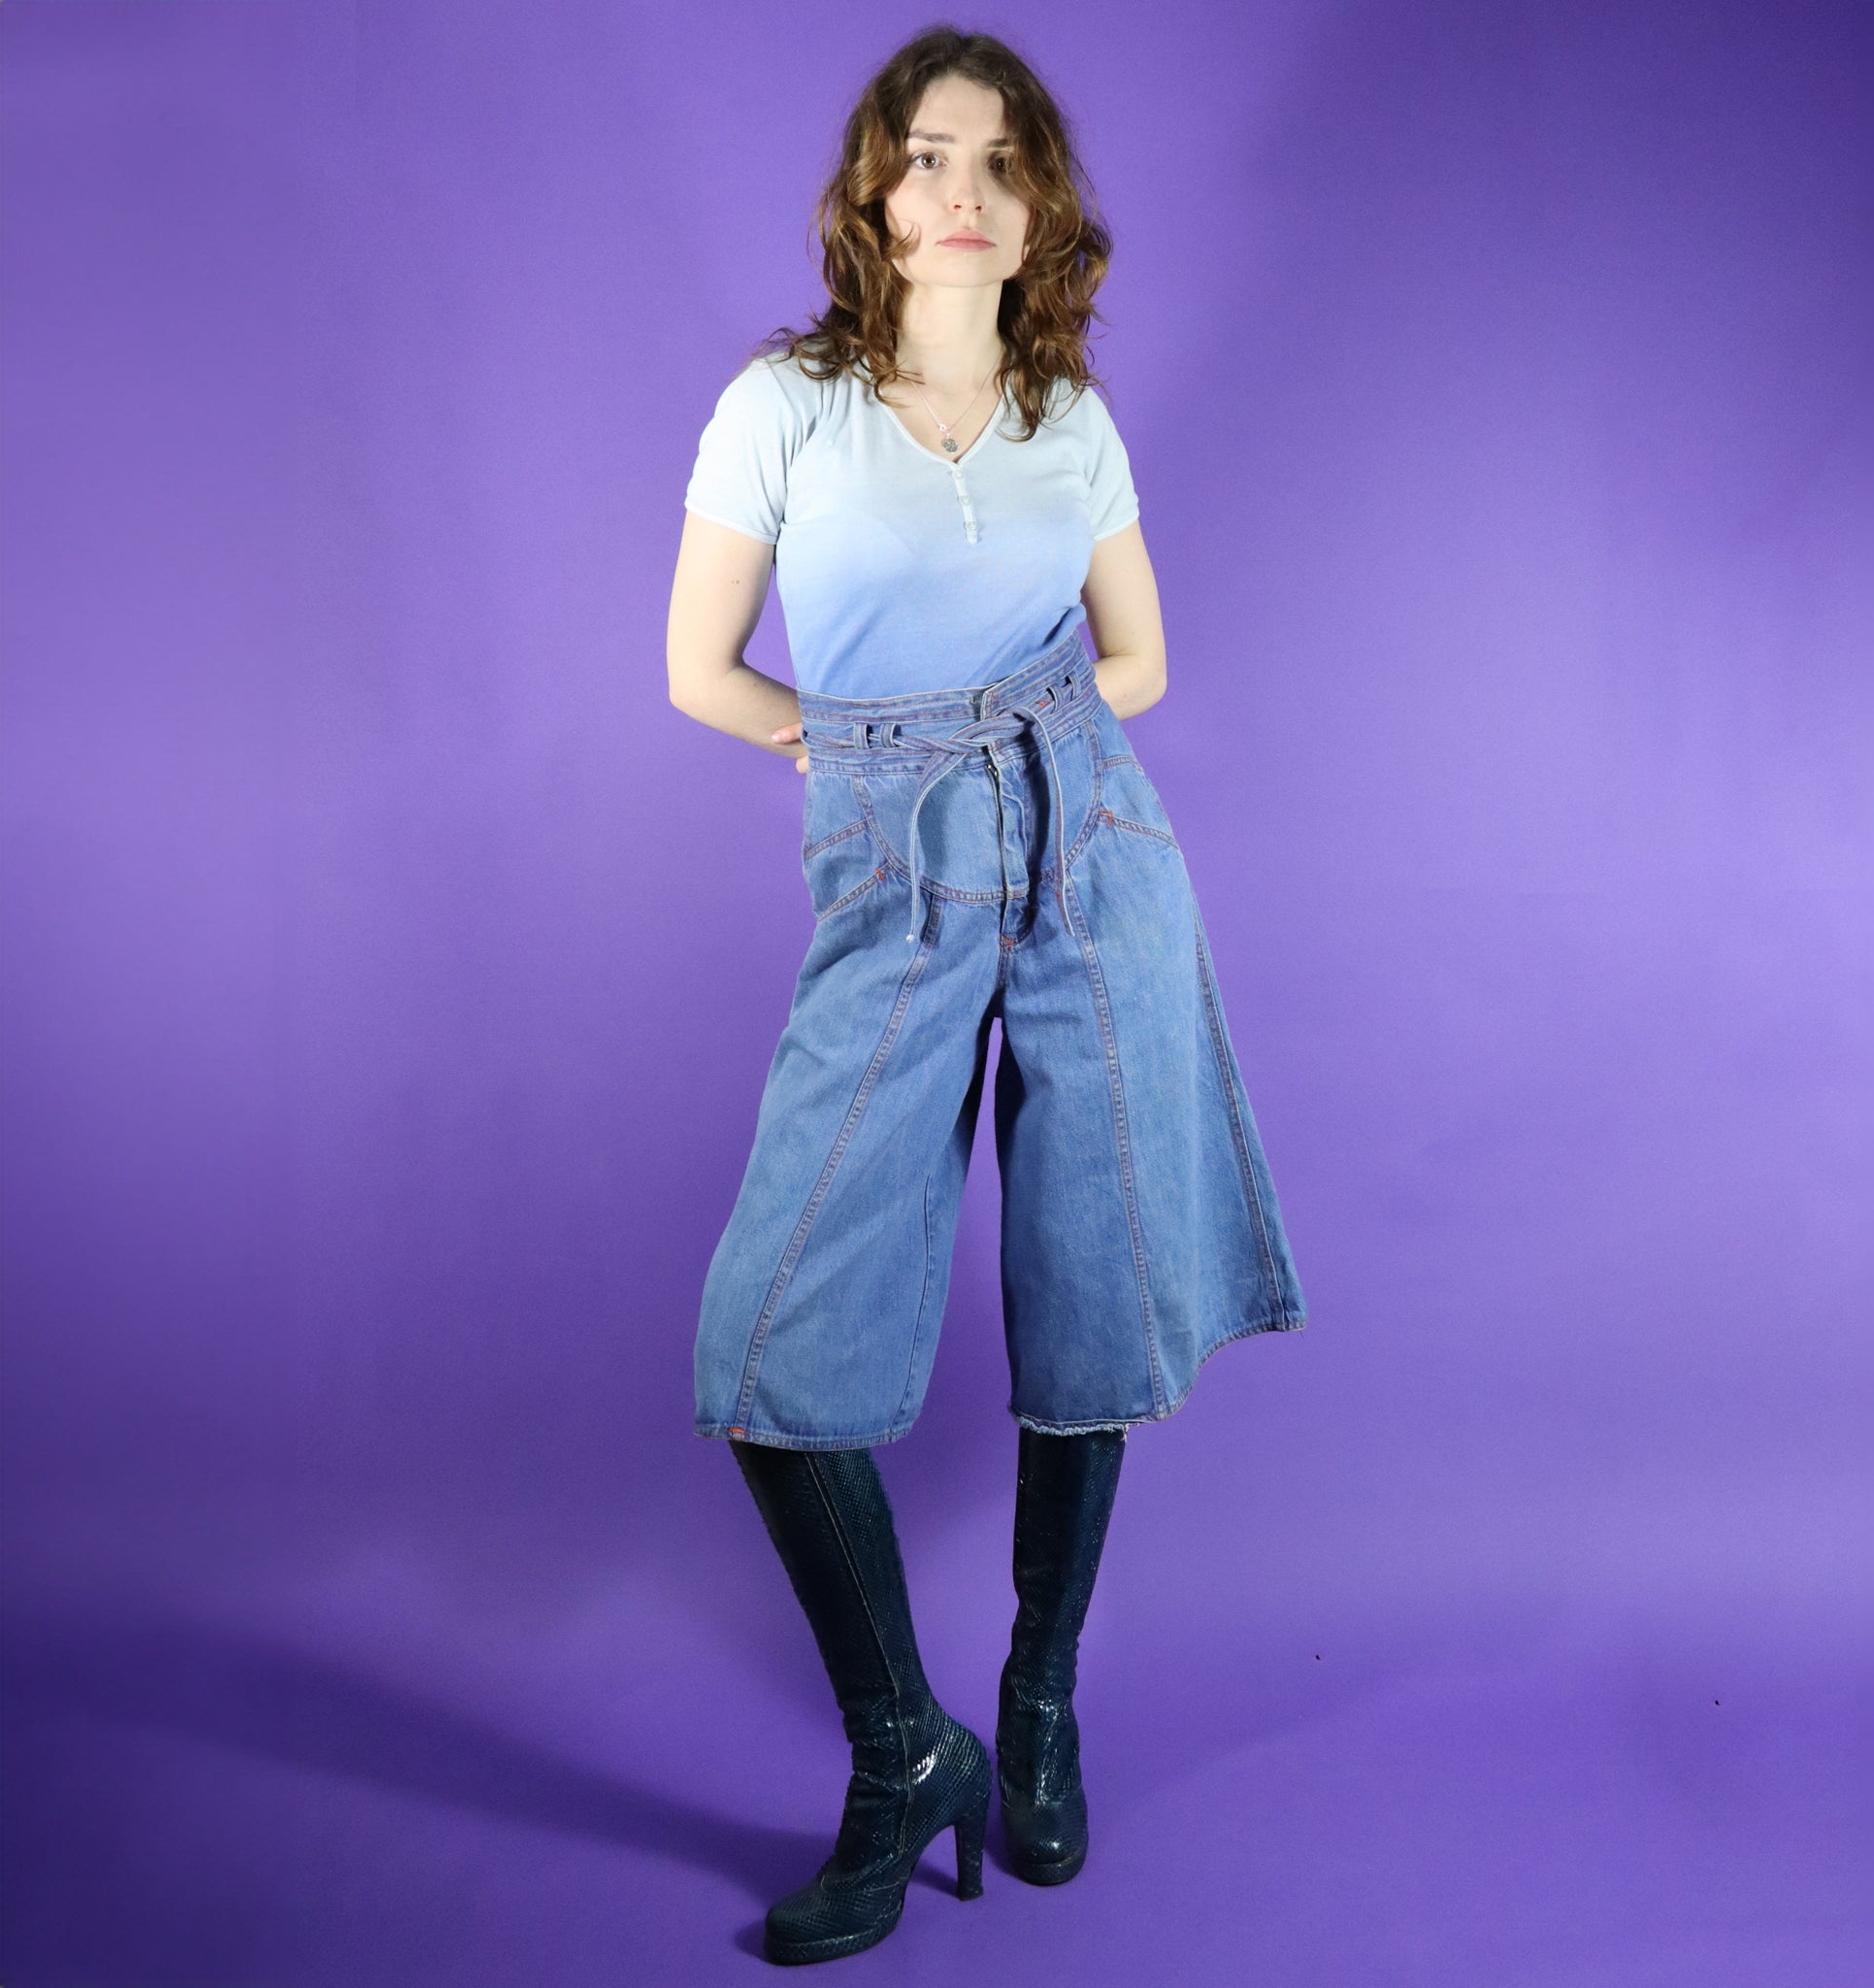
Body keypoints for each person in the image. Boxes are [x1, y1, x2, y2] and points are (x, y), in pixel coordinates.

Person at [666, 25, 1308, 1967]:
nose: (962, 192)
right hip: (895, 858)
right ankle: (907, 1746)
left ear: (1040, 215)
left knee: (1092, 1288)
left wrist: (1018, 736)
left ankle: (1035, 1704)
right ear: (875, 190)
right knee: (770, 1345)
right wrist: (872, 759)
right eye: (929, 155)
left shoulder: (1067, 414)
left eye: (1002, 164)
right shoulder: (783, 405)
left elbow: (1142, 660)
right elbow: (701, 671)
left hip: (1090, 844)